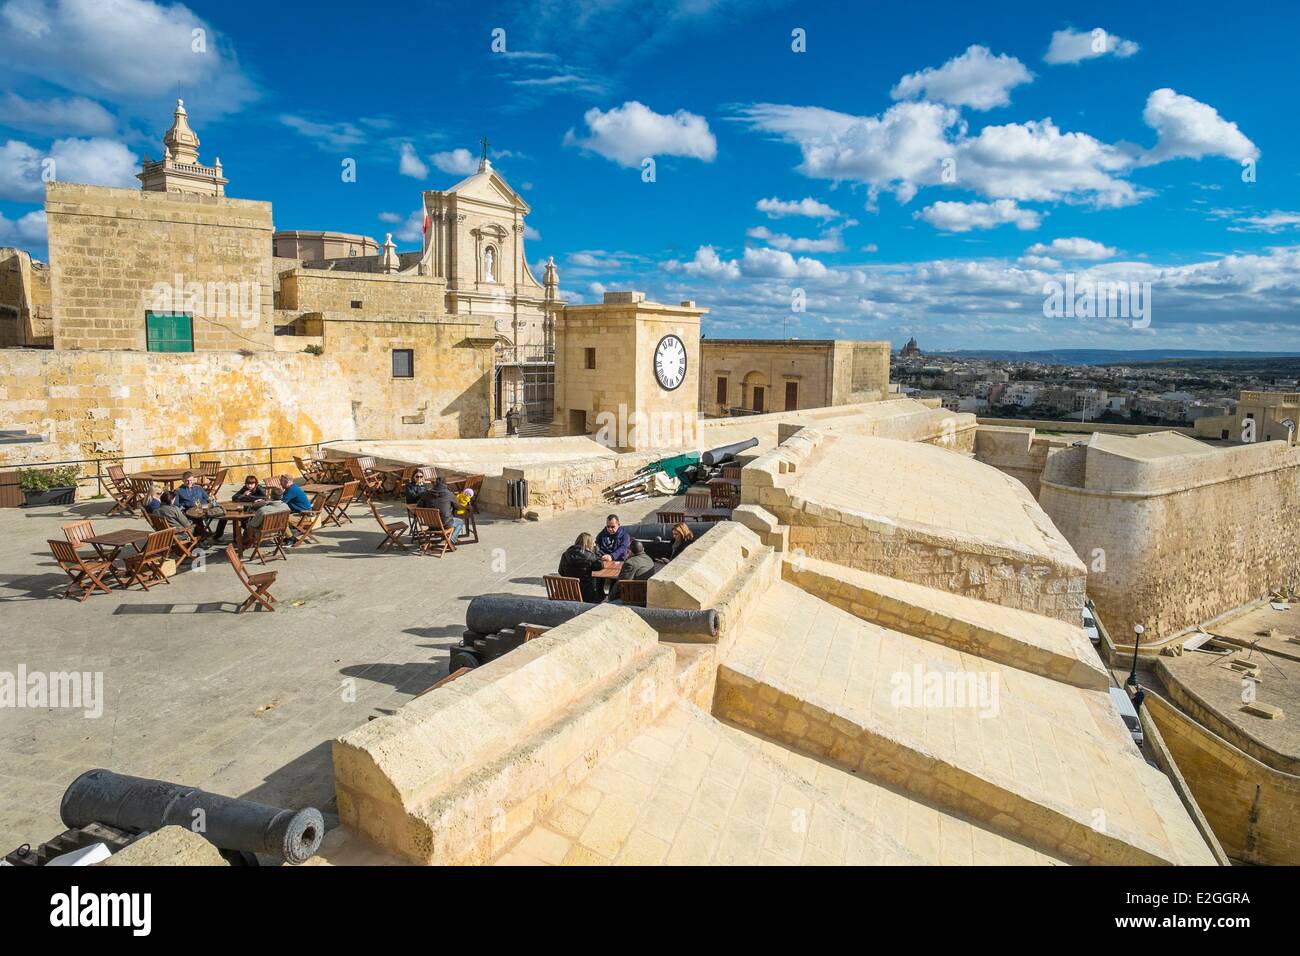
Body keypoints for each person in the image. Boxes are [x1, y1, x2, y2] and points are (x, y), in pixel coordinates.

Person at [173, 470, 226, 541]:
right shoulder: (179, 491)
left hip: (204, 510)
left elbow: (207, 498)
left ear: (193, 479)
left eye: (191, 480)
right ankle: (203, 535)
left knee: (223, 515)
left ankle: (216, 535)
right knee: (197, 518)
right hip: (190, 512)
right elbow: (176, 505)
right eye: (187, 481)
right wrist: (185, 505)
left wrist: (212, 500)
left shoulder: (198, 488)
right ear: (183, 480)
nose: (189, 482)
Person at [558, 532, 609, 603]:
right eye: (593, 543)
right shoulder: (589, 556)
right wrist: (596, 551)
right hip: (587, 594)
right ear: (589, 543)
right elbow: (600, 566)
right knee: (599, 581)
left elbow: (561, 572)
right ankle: (601, 597)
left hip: (568, 593)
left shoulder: (565, 554)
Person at [416, 477, 465, 543]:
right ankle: (451, 540)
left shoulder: (426, 494)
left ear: (435, 484)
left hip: (431, 524)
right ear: (445, 484)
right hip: (445, 524)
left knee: (447, 519)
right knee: (460, 522)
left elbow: (419, 506)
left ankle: (446, 537)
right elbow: (458, 507)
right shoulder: (449, 494)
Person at [241, 486, 290, 551]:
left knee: (248, 527)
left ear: (270, 496)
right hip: (277, 532)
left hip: (263, 533)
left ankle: (244, 546)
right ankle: (247, 544)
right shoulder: (286, 507)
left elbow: (253, 525)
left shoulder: (263, 510)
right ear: (282, 496)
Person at [276, 474, 314, 546]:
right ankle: (289, 536)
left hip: (304, 515)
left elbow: (281, 503)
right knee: (281, 518)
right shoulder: (291, 488)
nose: (280, 483)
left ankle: (291, 539)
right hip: (300, 513)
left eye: (281, 481)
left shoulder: (292, 490)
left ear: (287, 482)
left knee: (281, 520)